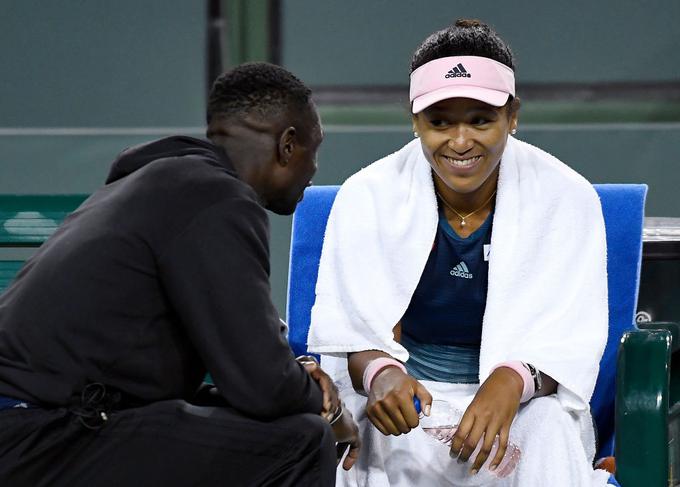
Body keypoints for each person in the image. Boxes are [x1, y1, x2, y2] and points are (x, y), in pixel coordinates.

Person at [0, 62, 359, 486]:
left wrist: (291, 380)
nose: (314, 168)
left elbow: (241, 373)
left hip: (44, 422)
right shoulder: (216, 198)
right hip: (35, 436)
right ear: (287, 145)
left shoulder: (158, 183)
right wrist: (321, 400)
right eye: (313, 151)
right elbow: (262, 384)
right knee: (300, 442)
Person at [307, 20, 612, 486]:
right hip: (411, 398)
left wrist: (512, 382)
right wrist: (381, 374)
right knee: (358, 440)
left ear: (513, 116)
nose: (460, 140)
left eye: (481, 119)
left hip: (519, 401)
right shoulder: (367, 194)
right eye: (440, 121)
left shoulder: (566, 196)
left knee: (551, 428)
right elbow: (353, 329)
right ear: (414, 120)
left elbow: (570, 343)